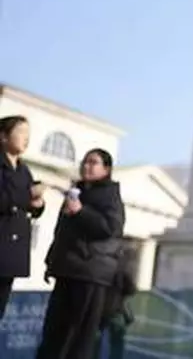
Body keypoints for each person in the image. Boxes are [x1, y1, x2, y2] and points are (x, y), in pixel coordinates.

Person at [36, 148, 126, 359]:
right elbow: (62, 233)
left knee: (78, 337)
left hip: (90, 274)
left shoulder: (110, 195)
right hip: (67, 270)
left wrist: (81, 212)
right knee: (54, 333)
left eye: (93, 162)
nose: (87, 166)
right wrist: (52, 262)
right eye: (85, 161)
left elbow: (110, 228)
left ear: (106, 169)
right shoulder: (76, 192)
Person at [0, 115, 45, 319]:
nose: (26, 138)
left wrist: (38, 205)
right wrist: (28, 195)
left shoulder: (23, 169)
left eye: (28, 133)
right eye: (21, 132)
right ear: (3, 136)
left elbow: (27, 204)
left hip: (11, 251)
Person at [93, 242, 139, 359]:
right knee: (117, 344)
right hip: (115, 311)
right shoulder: (121, 270)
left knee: (94, 343)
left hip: (97, 309)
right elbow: (131, 289)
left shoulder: (100, 266)